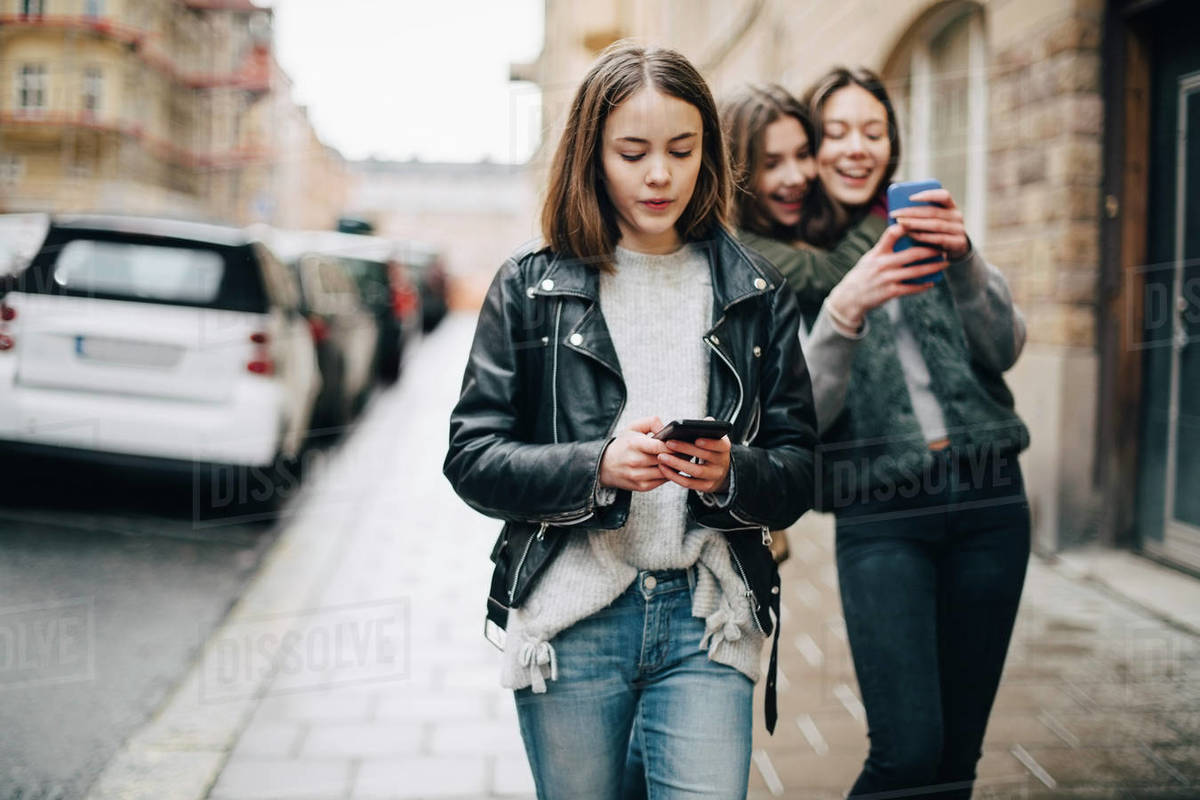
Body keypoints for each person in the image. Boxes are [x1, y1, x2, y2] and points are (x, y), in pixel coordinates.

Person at [443, 42, 818, 800]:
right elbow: (471, 454)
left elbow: (802, 466)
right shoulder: (532, 285)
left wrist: (733, 473)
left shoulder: (755, 289)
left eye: (682, 150)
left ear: (707, 153)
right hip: (572, 615)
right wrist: (597, 466)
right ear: (592, 154)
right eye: (633, 151)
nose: (659, 175)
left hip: (708, 613)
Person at [799, 67, 1033, 800]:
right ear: (809, 148)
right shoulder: (789, 260)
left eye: (873, 131)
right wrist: (841, 312)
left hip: (991, 502)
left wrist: (966, 260)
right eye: (835, 133)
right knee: (906, 755)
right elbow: (803, 412)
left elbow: (1005, 349)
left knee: (956, 761)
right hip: (883, 513)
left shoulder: (921, 227)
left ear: (893, 144)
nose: (855, 148)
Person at [720, 83, 891, 327]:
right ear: (735, 171)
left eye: (802, 154)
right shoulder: (737, 246)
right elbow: (834, 274)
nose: (797, 177)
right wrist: (881, 208)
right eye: (771, 164)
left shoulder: (803, 222)